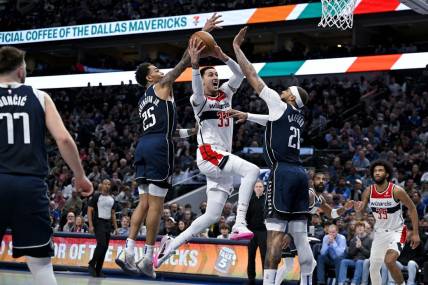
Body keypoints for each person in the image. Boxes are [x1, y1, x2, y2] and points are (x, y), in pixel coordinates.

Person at [115, 14, 223, 278]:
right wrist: (199, 36)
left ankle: (128, 251)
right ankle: (147, 258)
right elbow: (182, 65)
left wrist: (192, 132)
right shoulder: (162, 85)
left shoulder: (144, 100)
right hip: (158, 148)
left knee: (143, 201)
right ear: (149, 77)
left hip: (145, 145)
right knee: (156, 205)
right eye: (154, 69)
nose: (159, 70)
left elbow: (168, 130)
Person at [153, 30, 260, 268]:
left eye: (216, 74)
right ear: (202, 80)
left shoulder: (226, 95)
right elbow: (196, 89)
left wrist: (223, 55)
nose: (215, 77)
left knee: (211, 216)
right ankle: (239, 223)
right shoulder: (198, 101)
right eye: (210, 74)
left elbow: (240, 72)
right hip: (209, 155)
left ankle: (169, 246)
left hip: (221, 162)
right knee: (252, 170)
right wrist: (194, 66)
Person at [0, 46, 93, 285]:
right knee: (40, 263)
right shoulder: (40, 97)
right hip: (30, 186)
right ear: (21, 70)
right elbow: (63, 139)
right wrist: (80, 176)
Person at [232, 27, 314, 285]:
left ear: (290, 97)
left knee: (275, 236)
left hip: (282, 173)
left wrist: (237, 48)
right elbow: (272, 121)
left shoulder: (279, 104)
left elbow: (253, 76)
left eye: (288, 89)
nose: (284, 90)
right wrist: (248, 116)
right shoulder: (298, 117)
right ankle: (307, 280)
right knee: (300, 235)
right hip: (300, 173)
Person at [355, 160, 420, 285]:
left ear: (387, 174)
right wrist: (358, 210)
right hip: (379, 232)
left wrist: (416, 233)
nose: (377, 173)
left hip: (398, 231)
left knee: (389, 261)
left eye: (380, 171)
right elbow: (360, 215)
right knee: (373, 267)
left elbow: (412, 208)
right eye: (375, 171)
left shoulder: (397, 190)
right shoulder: (368, 191)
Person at [87, 179, 118, 277]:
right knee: (101, 244)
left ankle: (98, 269)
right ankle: (92, 264)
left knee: (105, 247)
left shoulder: (112, 199)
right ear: (102, 185)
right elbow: (89, 210)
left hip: (108, 224)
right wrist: (91, 225)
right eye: (105, 184)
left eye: (109, 184)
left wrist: (116, 228)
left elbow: (113, 214)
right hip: (98, 222)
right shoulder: (96, 196)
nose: (107, 186)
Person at [247, 180, 267, 285]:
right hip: (251, 232)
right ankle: (251, 279)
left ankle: (266, 279)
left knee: (264, 255)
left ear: (263, 188)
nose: (258, 188)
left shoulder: (267, 201)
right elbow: (246, 216)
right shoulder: (250, 200)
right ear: (254, 188)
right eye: (257, 187)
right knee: (251, 256)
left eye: (260, 186)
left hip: (263, 232)